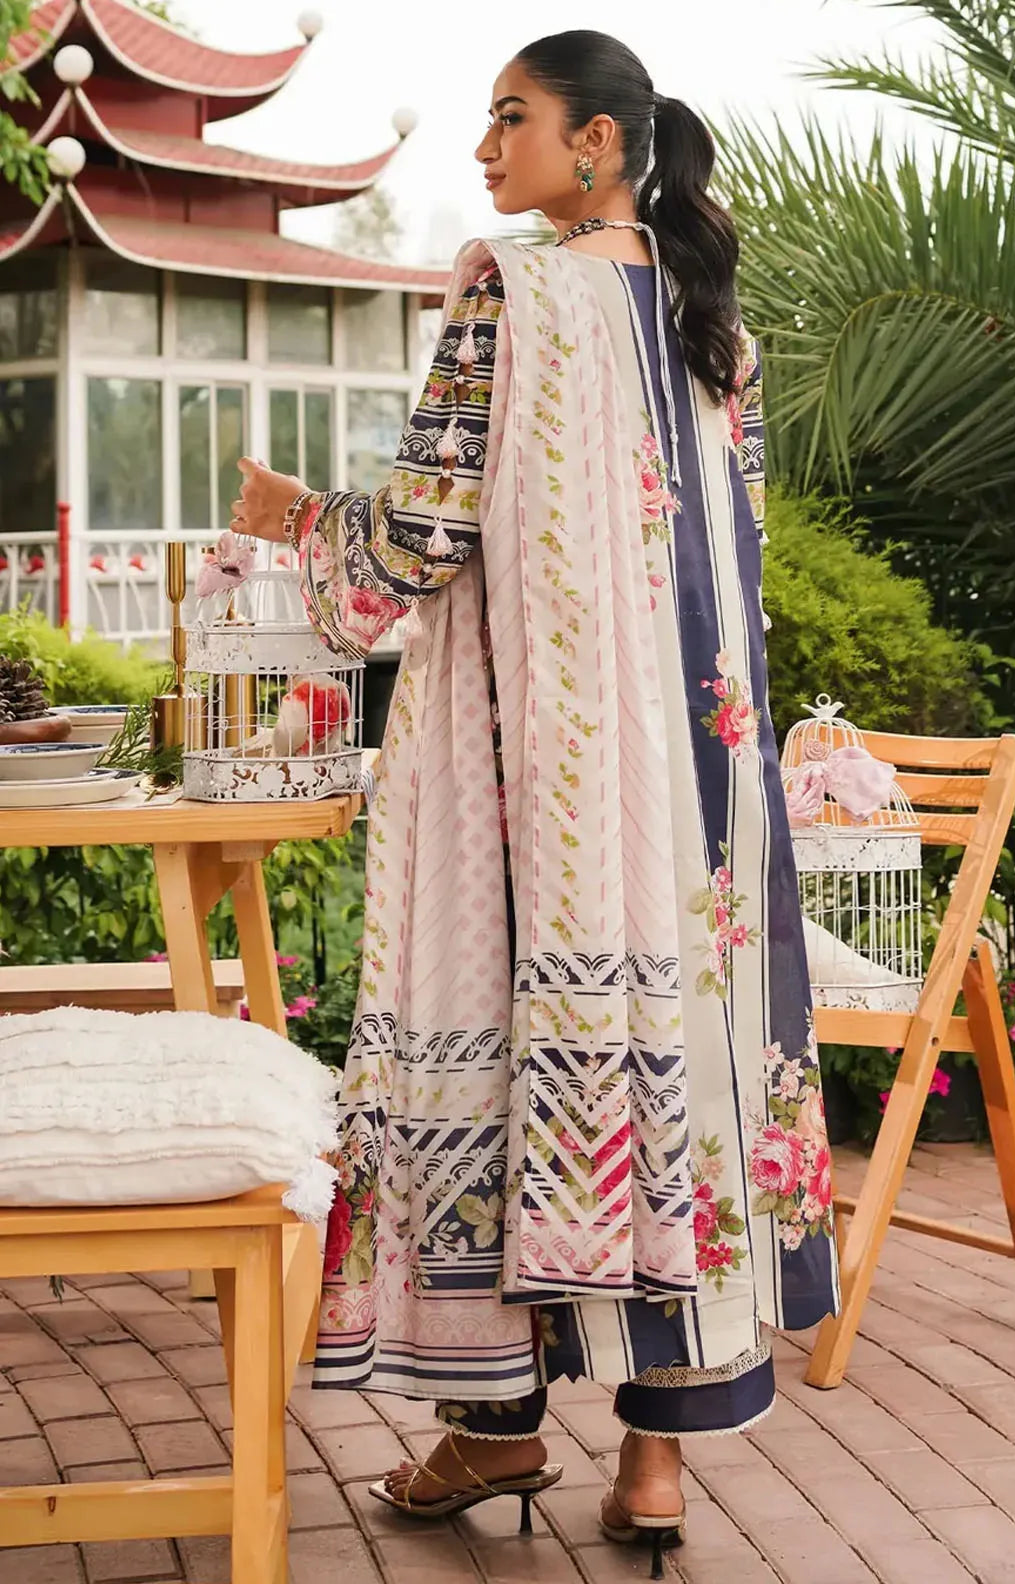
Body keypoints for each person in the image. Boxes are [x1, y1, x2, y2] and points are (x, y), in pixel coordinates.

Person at [233, 28, 838, 1576]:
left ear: (599, 145)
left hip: (547, 781)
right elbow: (736, 546)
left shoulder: (506, 287)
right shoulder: (717, 328)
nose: (484, 149)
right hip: (703, 782)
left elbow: (419, 538)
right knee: (690, 1068)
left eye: (512, 119)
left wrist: (298, 517)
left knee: (512, 1057)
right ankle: (654, 1469)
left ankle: (496, 1427)